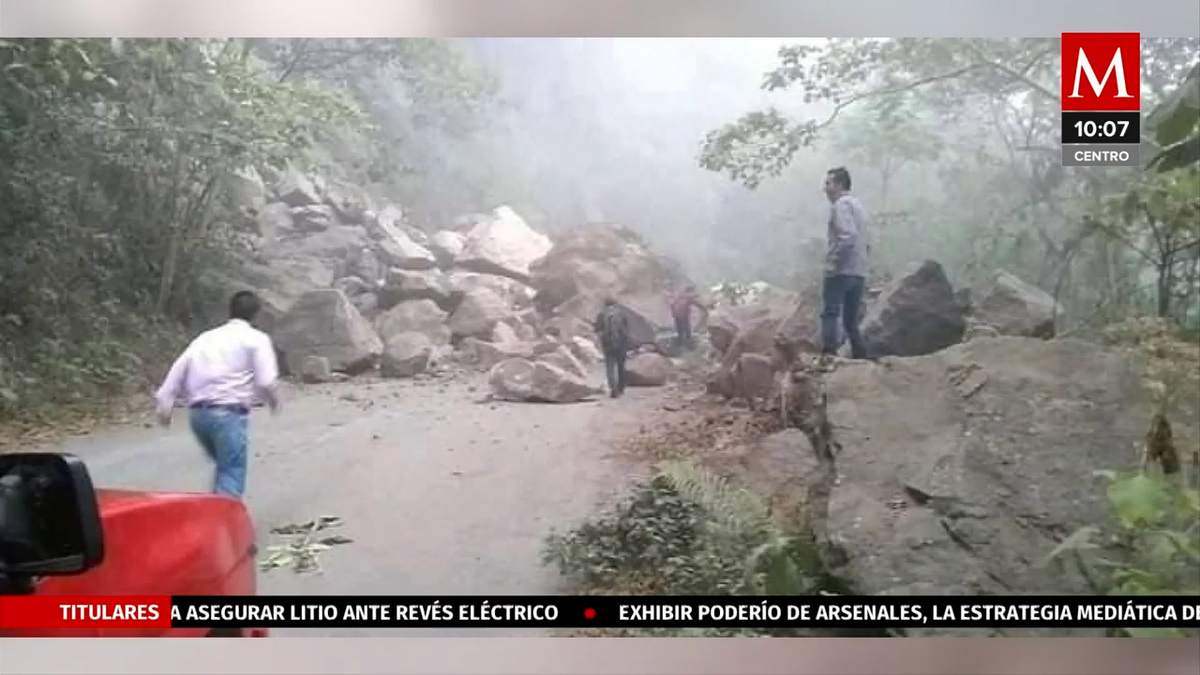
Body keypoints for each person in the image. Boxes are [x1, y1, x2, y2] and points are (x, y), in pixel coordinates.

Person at [154, 291, 281, 498]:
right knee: (230, 472)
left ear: (230, 311)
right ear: (256, 315)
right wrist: (273, 402)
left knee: (225, 467)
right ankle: (222, 517)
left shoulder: (206, 337)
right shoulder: (257, 339)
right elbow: (266, 381)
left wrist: (165, 401)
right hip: (228, 414)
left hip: (198, 417)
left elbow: (180, 366)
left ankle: (216, 507)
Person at [820, 166, 869, 363]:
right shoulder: (859, 206)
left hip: (841, 270)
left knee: (830, 312)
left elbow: (847, 237)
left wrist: (833, 262)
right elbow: (865, 240)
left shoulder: (840, 205)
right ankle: (860, 355)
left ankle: (828, 354)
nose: (825, 188)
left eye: (828, 183)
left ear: (839, 184)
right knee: (850, 319)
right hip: (859, 271)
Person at [593, 297, 631, 398]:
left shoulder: (602, 314)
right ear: (615, 304)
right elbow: (627, 330)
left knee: (610, 367)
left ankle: (613, 387)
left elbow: (597, 330)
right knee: (621, 366)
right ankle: (621, 387)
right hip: (621, 344)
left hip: (608, 344)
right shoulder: (622, 314)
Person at [669, 285, 707, 352]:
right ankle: (689, 347)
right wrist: (704, 308)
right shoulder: (688, 297)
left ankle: (680, 345)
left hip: (677, 315)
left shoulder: (679, 296)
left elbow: (672, 304)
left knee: (680, 331)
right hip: (683, 315)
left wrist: (673, 314)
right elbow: (697, 304)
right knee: (687, 331)